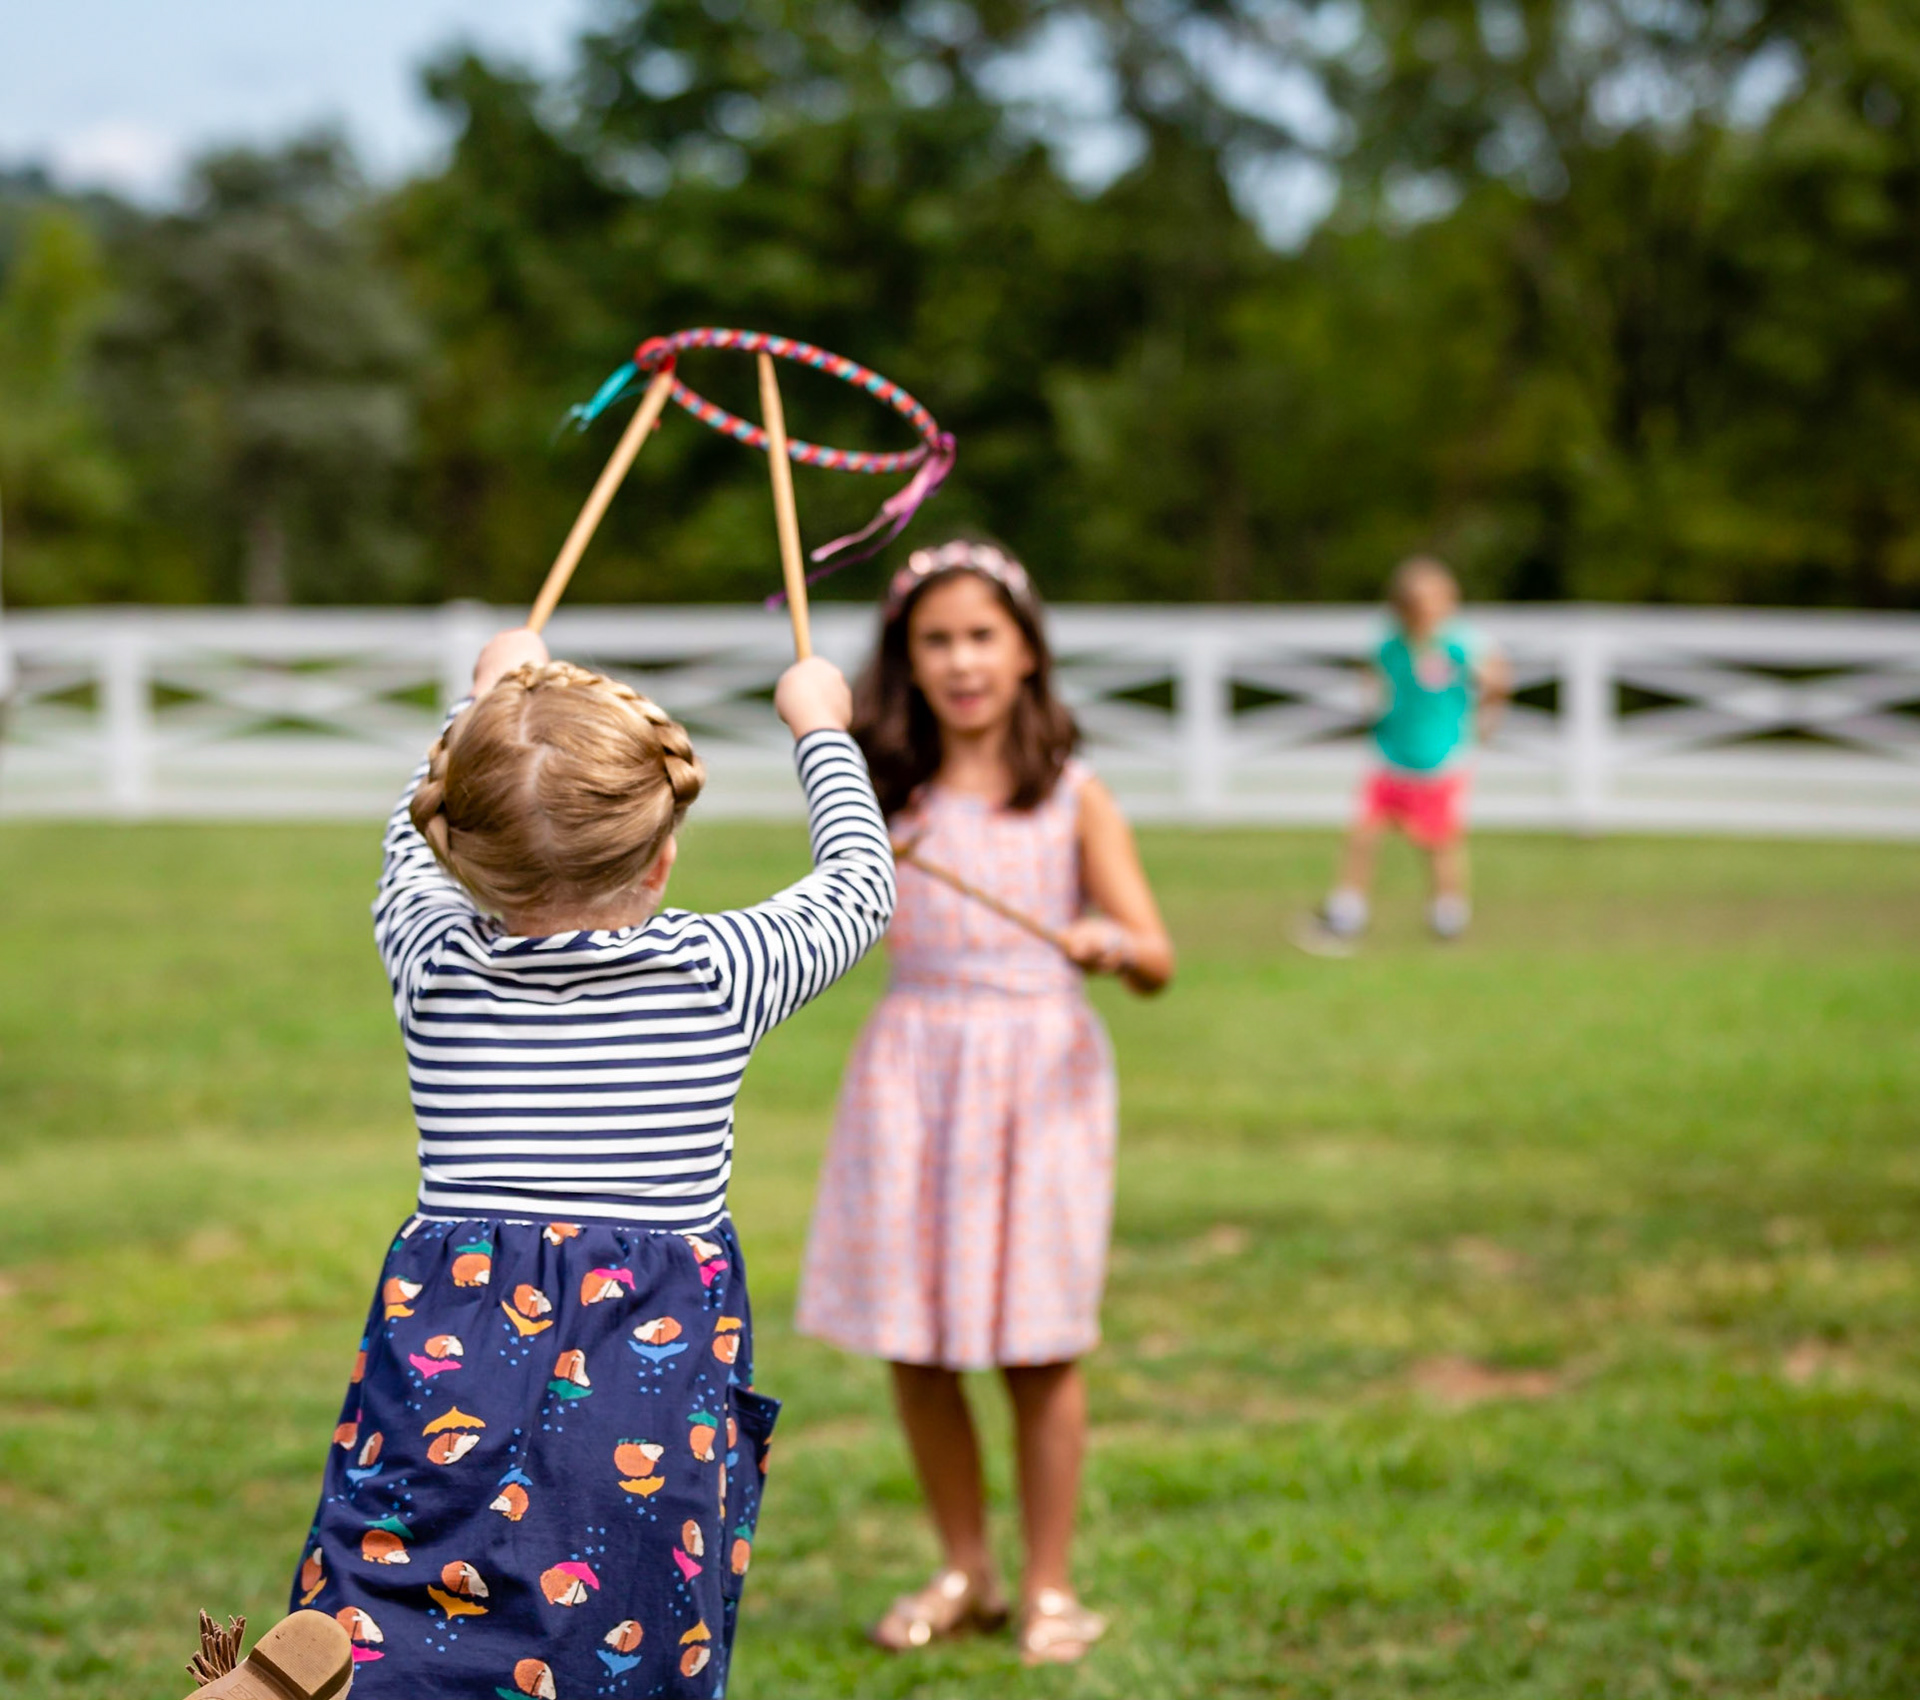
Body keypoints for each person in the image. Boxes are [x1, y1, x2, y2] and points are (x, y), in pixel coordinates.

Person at [287, 627, 894, 1698]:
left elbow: (403, 843)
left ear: (458, 847)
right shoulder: (717, 972)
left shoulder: (433, 962)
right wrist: (822, 726)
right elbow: (860, 885)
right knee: (627, 1609)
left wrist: (479, 703)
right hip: (640, 1354)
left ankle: (362, 1674)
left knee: (405, 1554)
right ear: (661, 857)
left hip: (448, 1334)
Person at [794, 539, 1174, 1666]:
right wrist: (822, 731)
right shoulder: (884, 792)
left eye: (981, 635)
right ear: (906, 658)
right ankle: (966, 1565)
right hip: (915, 1069)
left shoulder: (1072, 793)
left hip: (1039, 1076)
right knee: (917, 1339)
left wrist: (1112, 943)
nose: (961, 661)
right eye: (936, 639)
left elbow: (1157, 952)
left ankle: (1050, 1585)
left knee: (1038, 1341)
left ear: (1024, 650)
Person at [1295, 556, 1510, 954]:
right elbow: (1372, 676)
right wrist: (1376, 711)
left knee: (1439, 841)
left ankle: (1448, 913)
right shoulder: (1389, 641)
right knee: (1363, 833)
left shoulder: (1461, 643)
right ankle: (1348, 910)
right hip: (1392, 751)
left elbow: (1496, 676)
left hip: (1439, 757)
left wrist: (1486, 718)